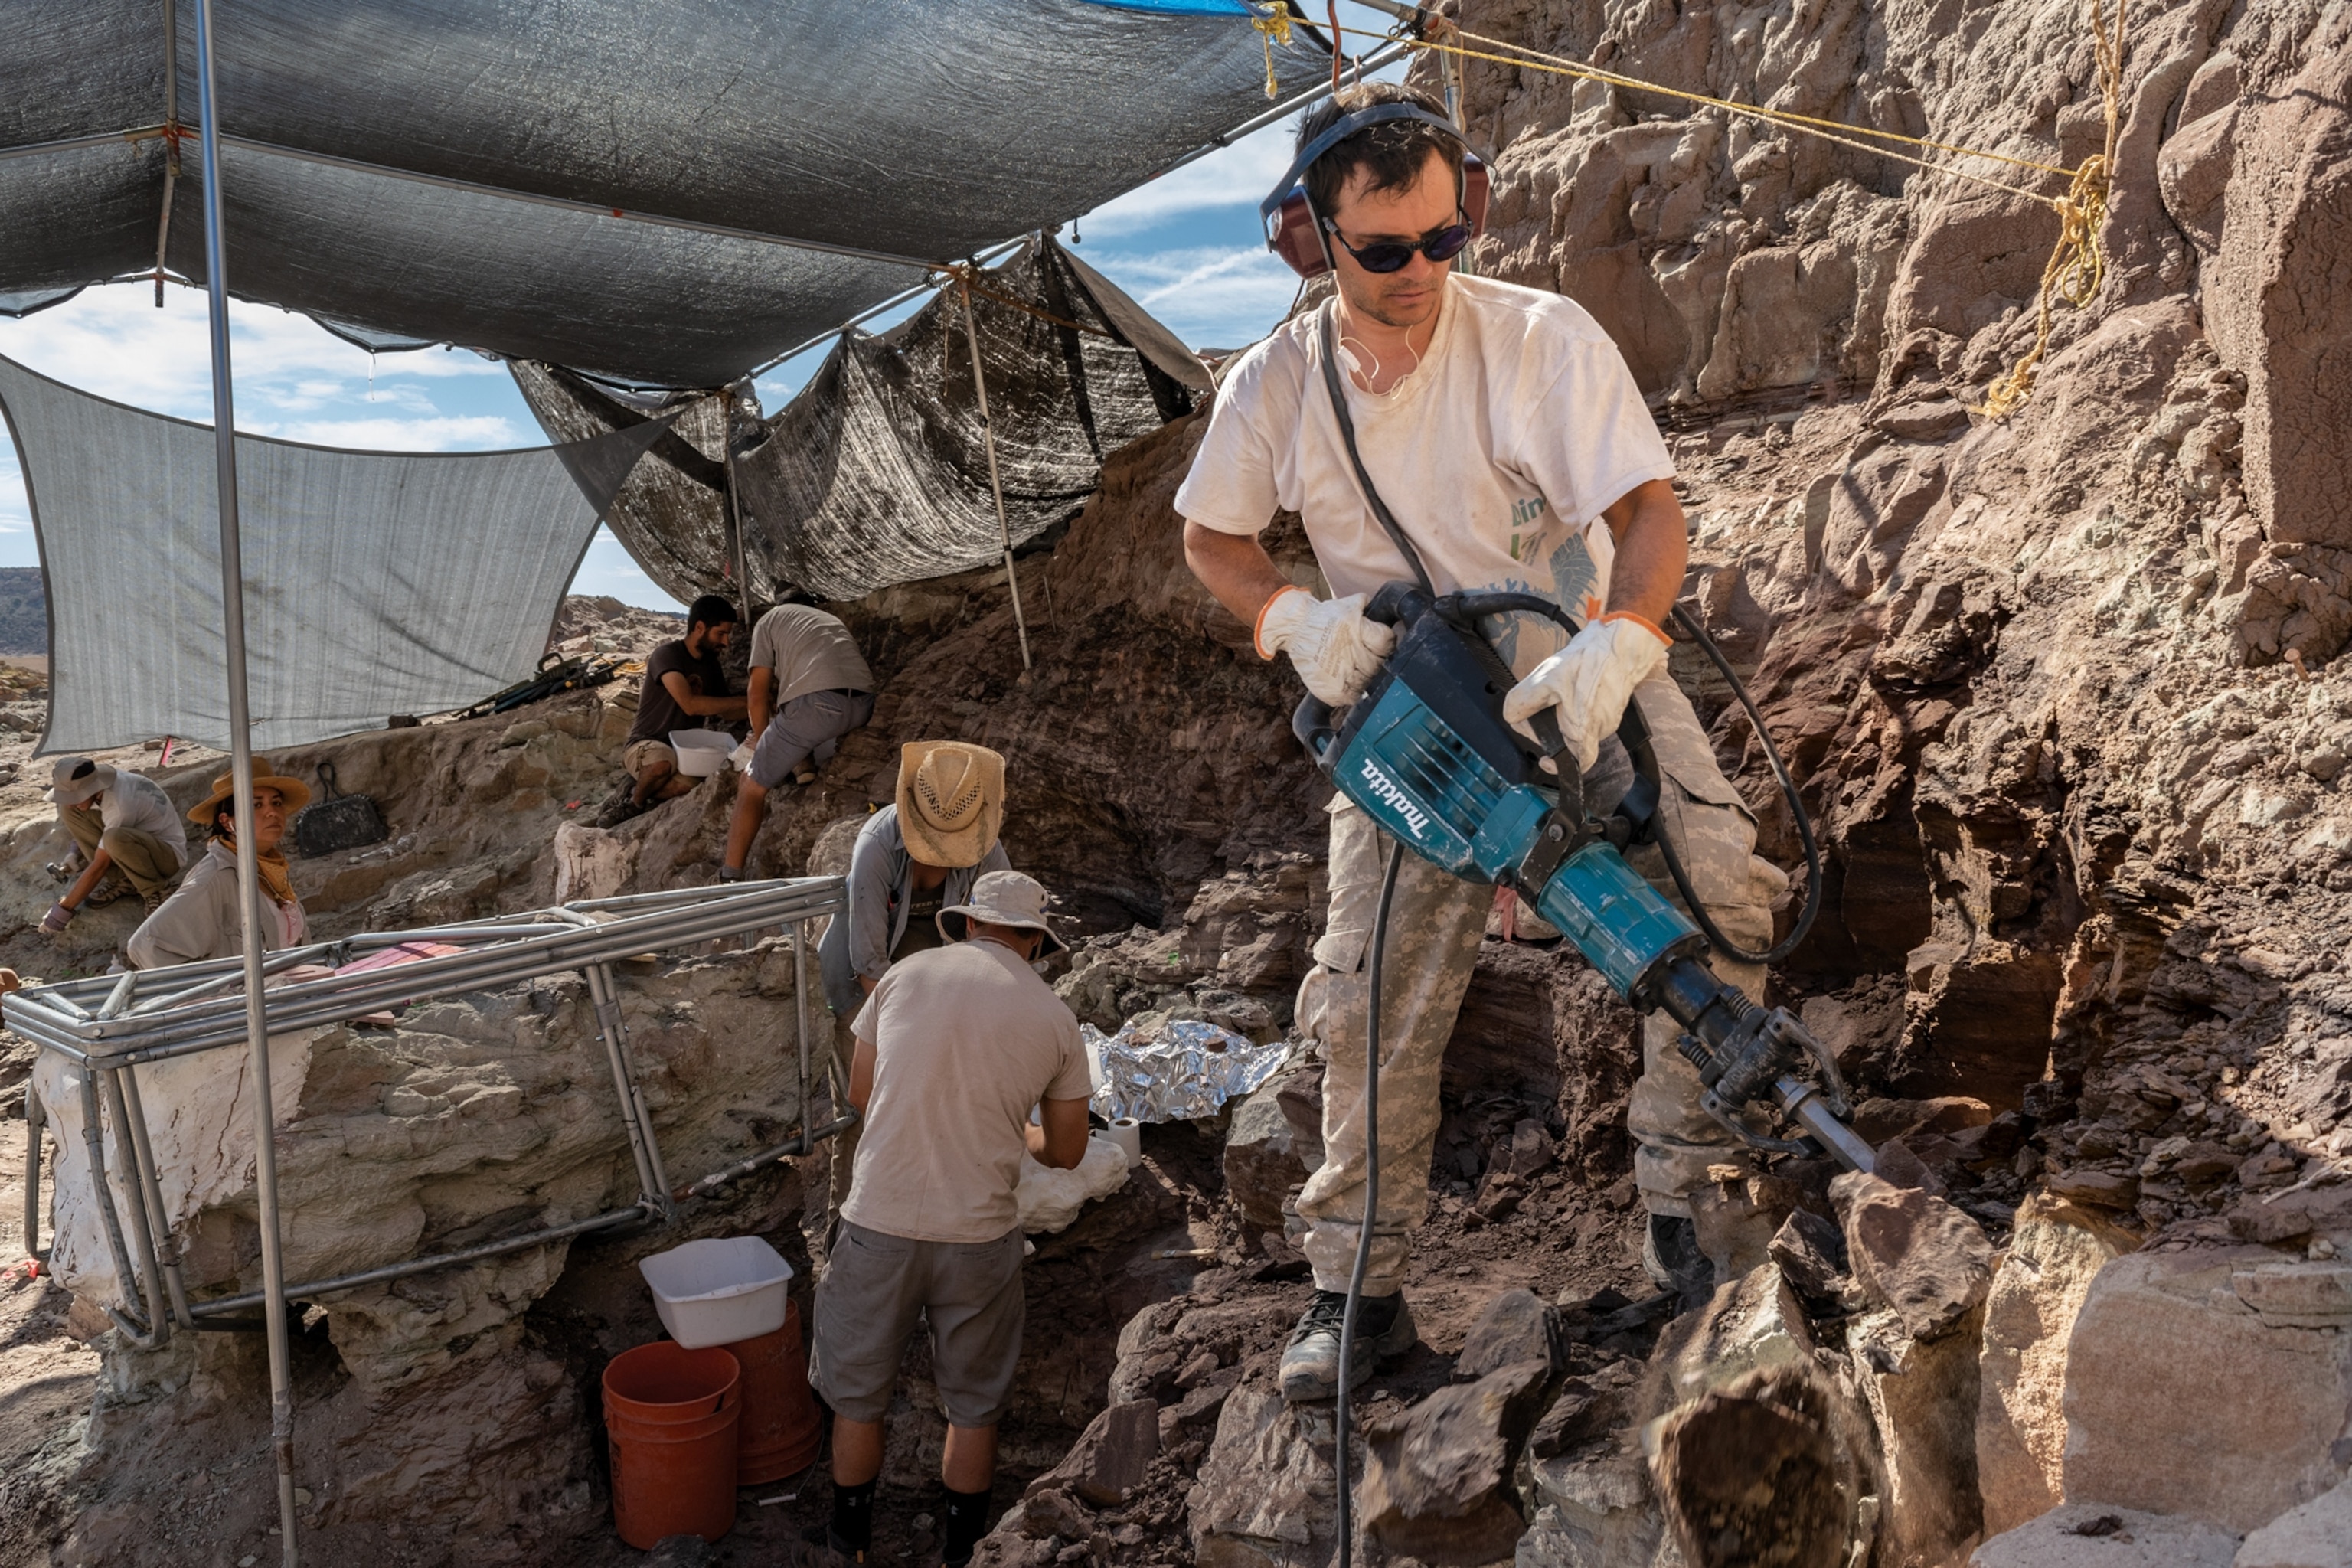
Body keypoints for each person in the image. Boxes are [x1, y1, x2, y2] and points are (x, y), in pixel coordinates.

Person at [1177, 83, 1792, 1402]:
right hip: (1401, 702)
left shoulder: (1538, 337)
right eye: (1384, 250)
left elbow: (1644, 511)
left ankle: (1695, 1220)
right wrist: (1292, 618)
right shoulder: (1273, 385)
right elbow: (1211, 539)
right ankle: (1356, 1291)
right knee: (1370, 987)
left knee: (1723, 887)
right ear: (1310, 239)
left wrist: (1621, 639)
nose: (1419, 274)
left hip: (1563, 660)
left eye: (1444, 240)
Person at [808, 869, 1090, 1566]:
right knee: (972, 1404)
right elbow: (1066, 1152)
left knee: (857, 1397)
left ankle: (850, 1543)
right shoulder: (1054, 1018)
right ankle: (966, 1552)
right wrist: (1014, 1129)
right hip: (980, 1237)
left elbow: (861, 1092)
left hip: (879, 1218)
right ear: (1034, 941)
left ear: (967, 923)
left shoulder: (905, 977)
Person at [815, 742, 1012, 1224]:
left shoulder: (984, 842)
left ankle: (922, 1225)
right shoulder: (878, 848)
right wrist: (917, 1037)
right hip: (865, 995)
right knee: (869, 1116)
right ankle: (848, 1230)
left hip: (942, 994)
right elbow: (868, 963)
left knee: (942, 1110)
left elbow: (1004, 926)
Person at [720, 596, 875, 880]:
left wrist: (759, 739)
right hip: (863, 704)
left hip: (818, 706)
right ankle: (804, 765)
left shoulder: (768, 622)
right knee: (794, 719)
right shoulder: (827, 620)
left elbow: (756, 693)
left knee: (750, 784)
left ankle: (728, 877)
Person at [128, 760, 313, 970]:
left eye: (277, 803)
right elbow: (146, 946)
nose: (272, 813)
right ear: (226, 822)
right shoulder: (215, 877)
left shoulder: (271, 871)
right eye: (256, 805)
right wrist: (221, 995)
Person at [604, 593, 746, 824]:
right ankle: (632, 804)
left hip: (684, 751)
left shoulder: (712, 666)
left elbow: (726, 710)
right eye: (721, 633)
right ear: (700, 627)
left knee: (691, 785)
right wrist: (747, 702)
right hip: (646, 743)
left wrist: (760, 704)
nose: (726, 642)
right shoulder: (667, 655)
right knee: (662, 763)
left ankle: (635, 786)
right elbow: (689, 705)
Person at [39, 757, 188, 930]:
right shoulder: (99, 790)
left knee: (114, 838)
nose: (72, 804)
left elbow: (100, 866)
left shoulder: (119, 803)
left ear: (92, 789)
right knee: (69, 812)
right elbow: (100, 823)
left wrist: (61, 912)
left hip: (166, 858)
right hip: (135, 842)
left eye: (75, 798)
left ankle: (157, 889)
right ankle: (125, 881)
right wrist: (74, 852)